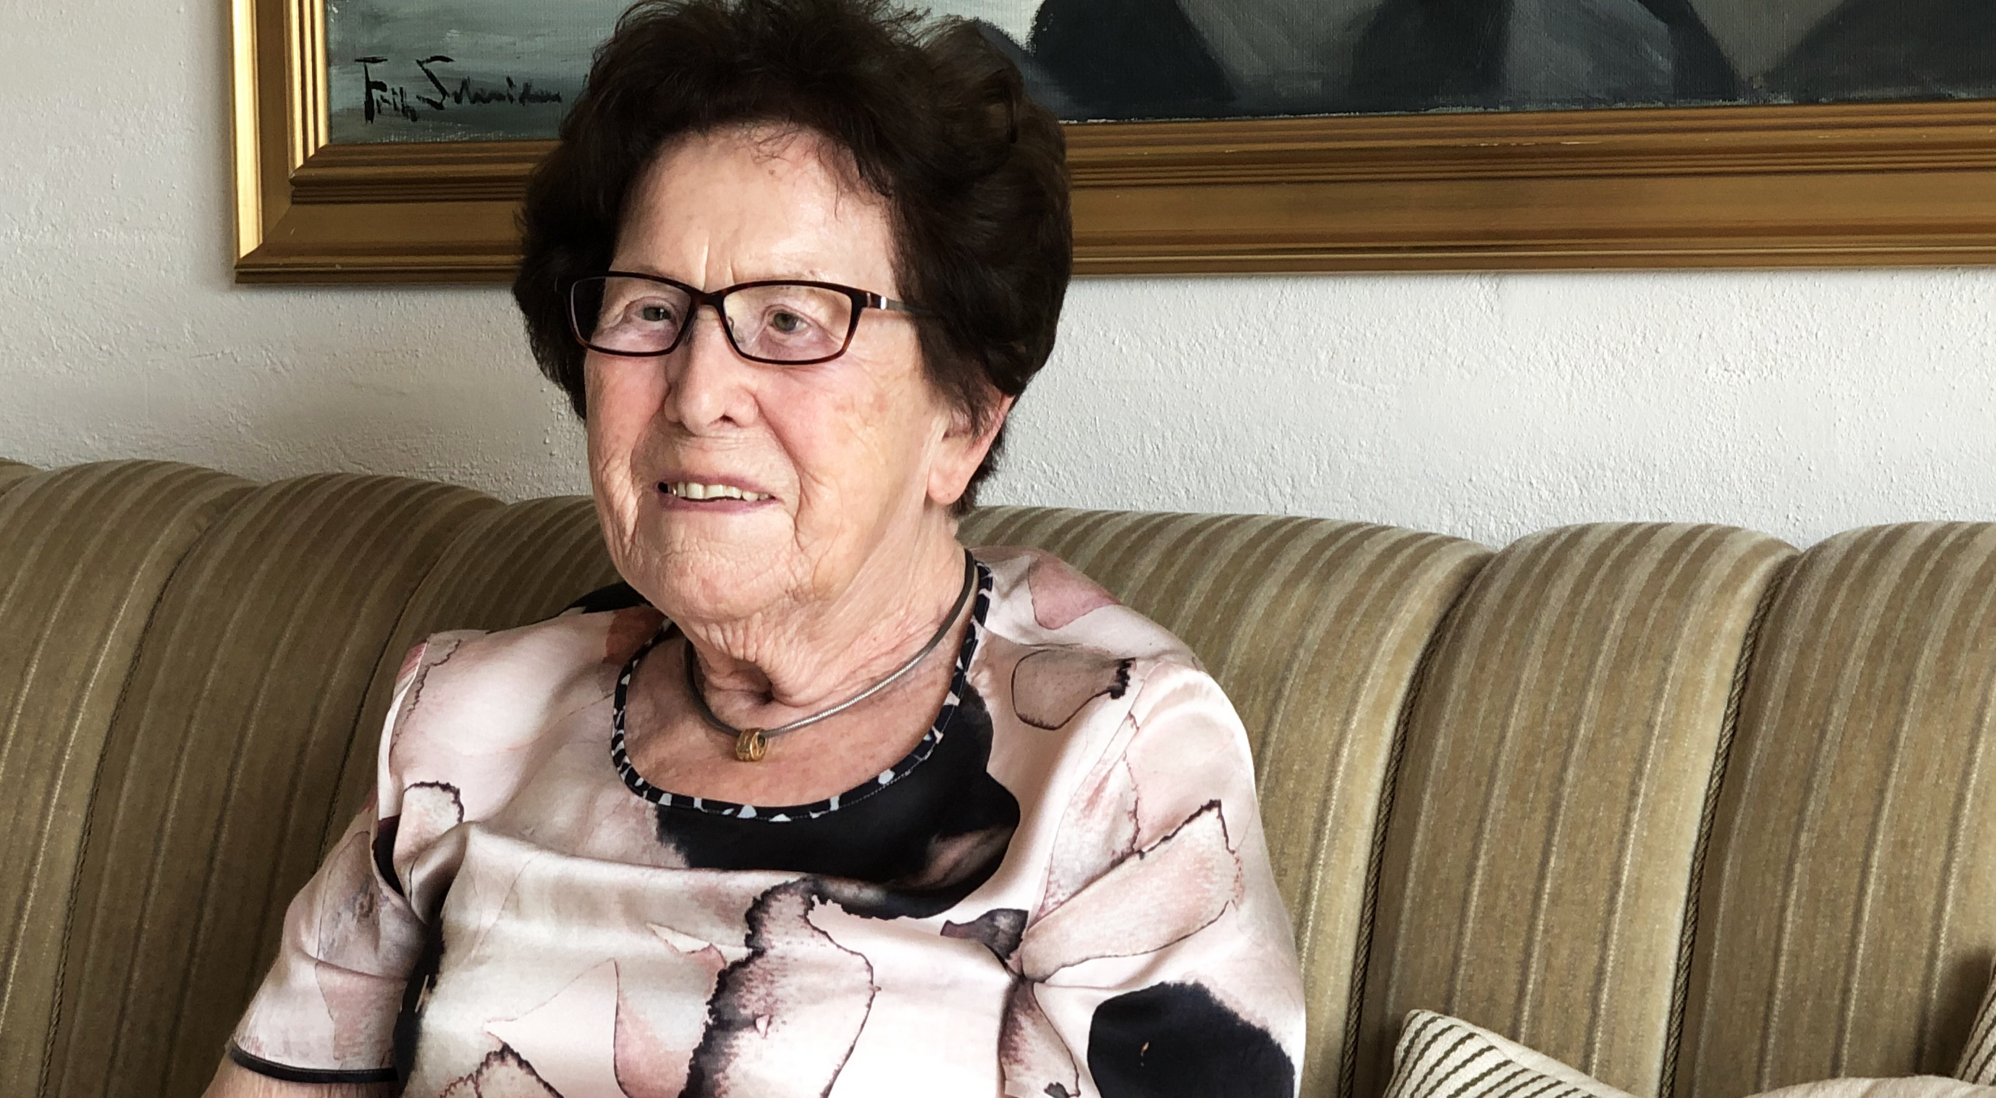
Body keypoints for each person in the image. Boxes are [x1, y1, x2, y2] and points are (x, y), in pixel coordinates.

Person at [203, 0, 1305, 1094]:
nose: (697, 392)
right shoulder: (465, 718)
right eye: (649, 311)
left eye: (790, 320)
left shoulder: (1113, 759)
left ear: (962, 420)